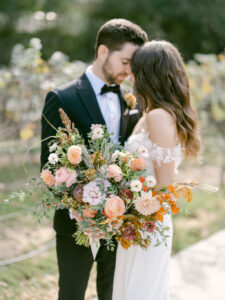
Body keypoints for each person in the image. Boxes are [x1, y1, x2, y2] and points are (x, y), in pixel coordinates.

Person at [41, 19, 148, 300]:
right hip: (76, 224)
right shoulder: (62, 98)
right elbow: (49, 166)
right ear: (103, 52)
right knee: (72, 294)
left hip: (121, 221)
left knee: (113, 294)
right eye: (126, 61)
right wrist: (87, 206)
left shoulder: (130, 101)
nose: (130, 70)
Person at [112, 40, 201, 300]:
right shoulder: (152, 113)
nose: (131, 76)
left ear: (149, 74)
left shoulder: (158, 117)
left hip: (147, 222)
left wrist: (132, 210)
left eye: (136, 70)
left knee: (141, 291)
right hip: (137, 219)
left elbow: (164, 185)